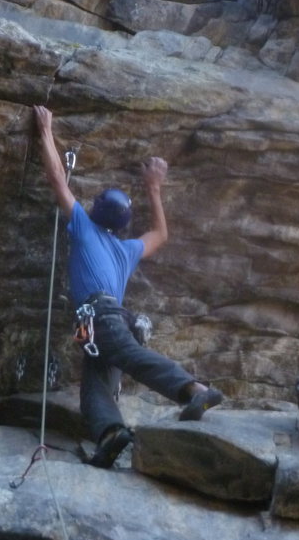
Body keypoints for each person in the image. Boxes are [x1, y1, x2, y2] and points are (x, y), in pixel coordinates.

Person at [34, 105, 223, 468]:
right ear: (122, 224)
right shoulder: (125, 249)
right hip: (103, 321)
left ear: (94, 211)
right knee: (95, 386)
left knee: (130, 358)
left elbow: (58, 178)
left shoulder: (84, 228)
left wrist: (46, 131)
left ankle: (193, 390)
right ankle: (111, 434)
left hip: (99, 317)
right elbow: (160, 234)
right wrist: (154, 188)